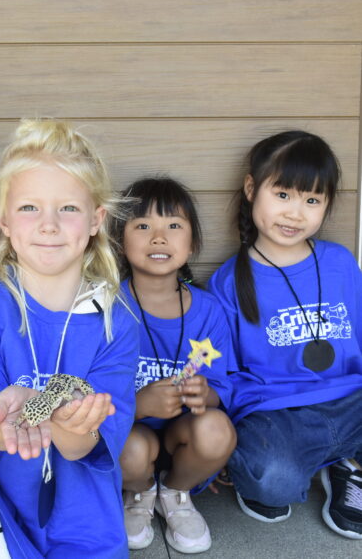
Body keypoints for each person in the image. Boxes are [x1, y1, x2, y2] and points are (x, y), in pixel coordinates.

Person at [0, 119, 139, 558]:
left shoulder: (117, 322)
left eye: (68, 209)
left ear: (95, 220)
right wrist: (6, 418)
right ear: (5, 220)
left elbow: (82, 446)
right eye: (30, 208)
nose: (48, 225)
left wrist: (67, 423)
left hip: (82, 528)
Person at [208, 130, 362, 539]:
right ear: (251, 188)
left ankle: (348, 467)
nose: (296, 213)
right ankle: (327, 460)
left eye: (312, 200)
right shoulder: (227, 282)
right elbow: (223, 375)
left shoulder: (339, 263)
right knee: (272, 480)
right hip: (278, 414)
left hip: (350, 400)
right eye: (283, 195)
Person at [116, 176, 236, 553]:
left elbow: (222, 390)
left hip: (183, 434)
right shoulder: (106, 306)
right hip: (129, 433)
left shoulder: (209, 311)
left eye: (173, 225)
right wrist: (138, 404)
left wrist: (205, 395)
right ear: (121, 240)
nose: (158, 237)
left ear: (193, 242)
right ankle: (139, 492)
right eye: (142, 225)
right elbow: (87, 393)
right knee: (130, 450)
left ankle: (174, 492)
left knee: (216, 430)